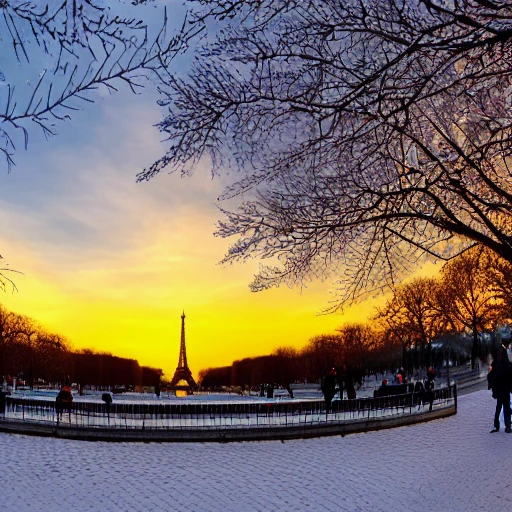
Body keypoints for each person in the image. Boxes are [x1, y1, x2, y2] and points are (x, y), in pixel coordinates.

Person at [487, 342, 512, 433]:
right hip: (504, 389)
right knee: (505, 407)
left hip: (500, 389)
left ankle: (497, 426)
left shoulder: (496, 364)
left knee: (500, 407)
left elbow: (490, 376)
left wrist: (492, 384)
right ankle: (507, 426)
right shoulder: (505, 364)